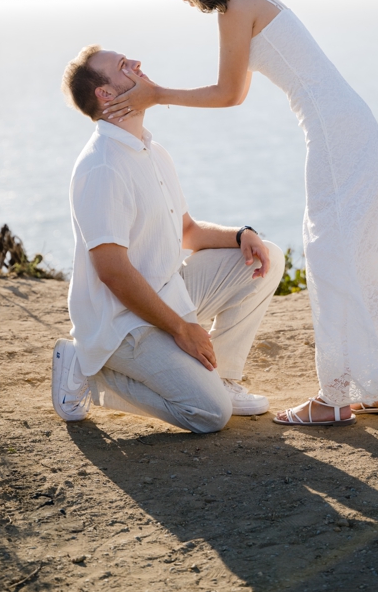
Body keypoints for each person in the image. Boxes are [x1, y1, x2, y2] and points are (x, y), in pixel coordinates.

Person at [110, 0, 378, 427]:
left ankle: (335, 398)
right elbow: (239, 91)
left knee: (331, 258)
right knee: (356, 258)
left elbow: (227, 94)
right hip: (354, 131)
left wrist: (156, 95)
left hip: (337, 140)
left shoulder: (235, 7)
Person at [51, 44, 283, 433]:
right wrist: (181, 329)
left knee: (266, 256)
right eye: (123, 66)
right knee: (210, 414)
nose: (136, 63)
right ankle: (88, 369)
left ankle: (223, 377)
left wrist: (241, 235)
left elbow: (186, 231)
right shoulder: (102, 165)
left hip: (166, 292)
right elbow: (112, 271)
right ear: (105, 94)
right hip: (121, 325)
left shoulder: (152, 151)